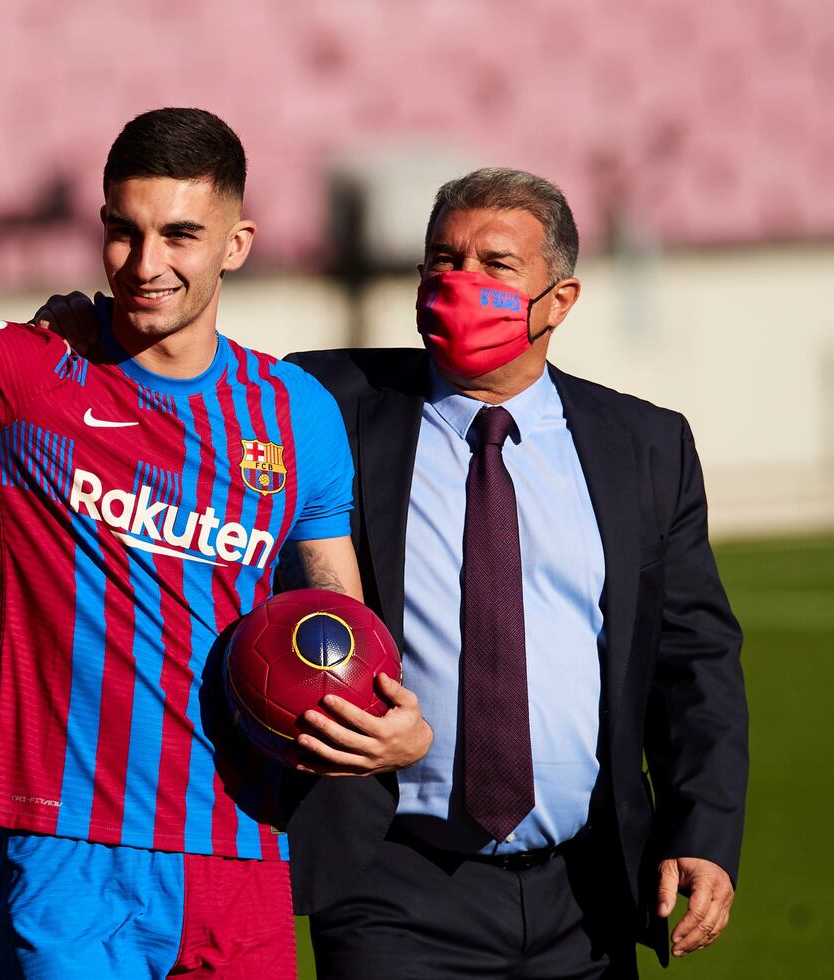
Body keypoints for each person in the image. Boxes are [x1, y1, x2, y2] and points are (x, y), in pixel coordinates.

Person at [0, 16, 431, 979]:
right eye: (123, 231)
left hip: (242, 843)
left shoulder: (294, 415)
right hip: (69, 847)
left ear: (236, 244)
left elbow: (340, 630)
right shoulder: (34, 377)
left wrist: (394, 727)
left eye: (180, 234)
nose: (145, 261)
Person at [280, 168, 748, 978]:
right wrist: (86, 324)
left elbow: (694, 662)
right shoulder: (325, 399)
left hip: (590, 890)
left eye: (495, 265)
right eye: (442, 258)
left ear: (560, 300)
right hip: (391, 880)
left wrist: (701, 834)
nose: (460, 281)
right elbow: (187, 355)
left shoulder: (645, 445)